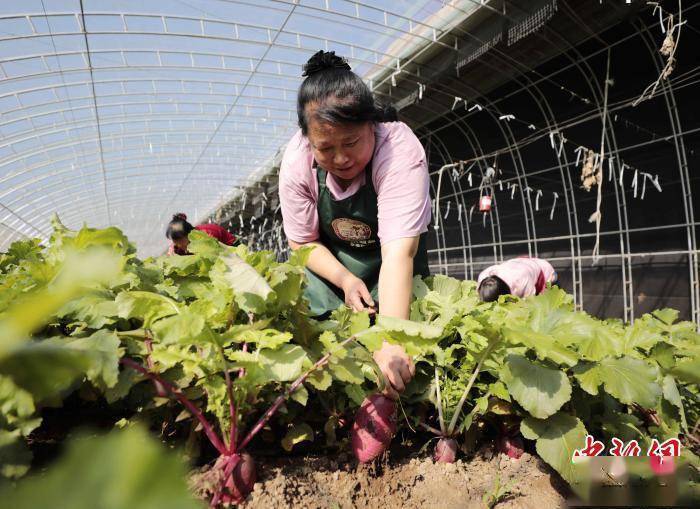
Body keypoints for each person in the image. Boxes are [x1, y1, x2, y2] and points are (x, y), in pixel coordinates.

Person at [279, 50, 431, 399]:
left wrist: (391, 339)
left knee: (414, 345)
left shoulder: (398, 150)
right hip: (333, 266)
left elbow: (398, 254)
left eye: (351, 142)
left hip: (393, 262)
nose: (341, 158)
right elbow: (302, 243)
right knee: (325, 341)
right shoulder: (296, 161)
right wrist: (345, 279)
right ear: (307, 140)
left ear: (371, 125)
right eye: (326, 148)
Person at [477, 257, 557, 302]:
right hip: (517, 263)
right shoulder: (483, 276)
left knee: (546, 300)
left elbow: (531, 303)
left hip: (543, 270)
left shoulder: (522, 282)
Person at [166, 213, 236, 255]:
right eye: (175, 242)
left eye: (180, 241)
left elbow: (215, 255)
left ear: (189, 234)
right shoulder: (178, 247)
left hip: (231, 247)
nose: (179, 245)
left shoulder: (207, 235)